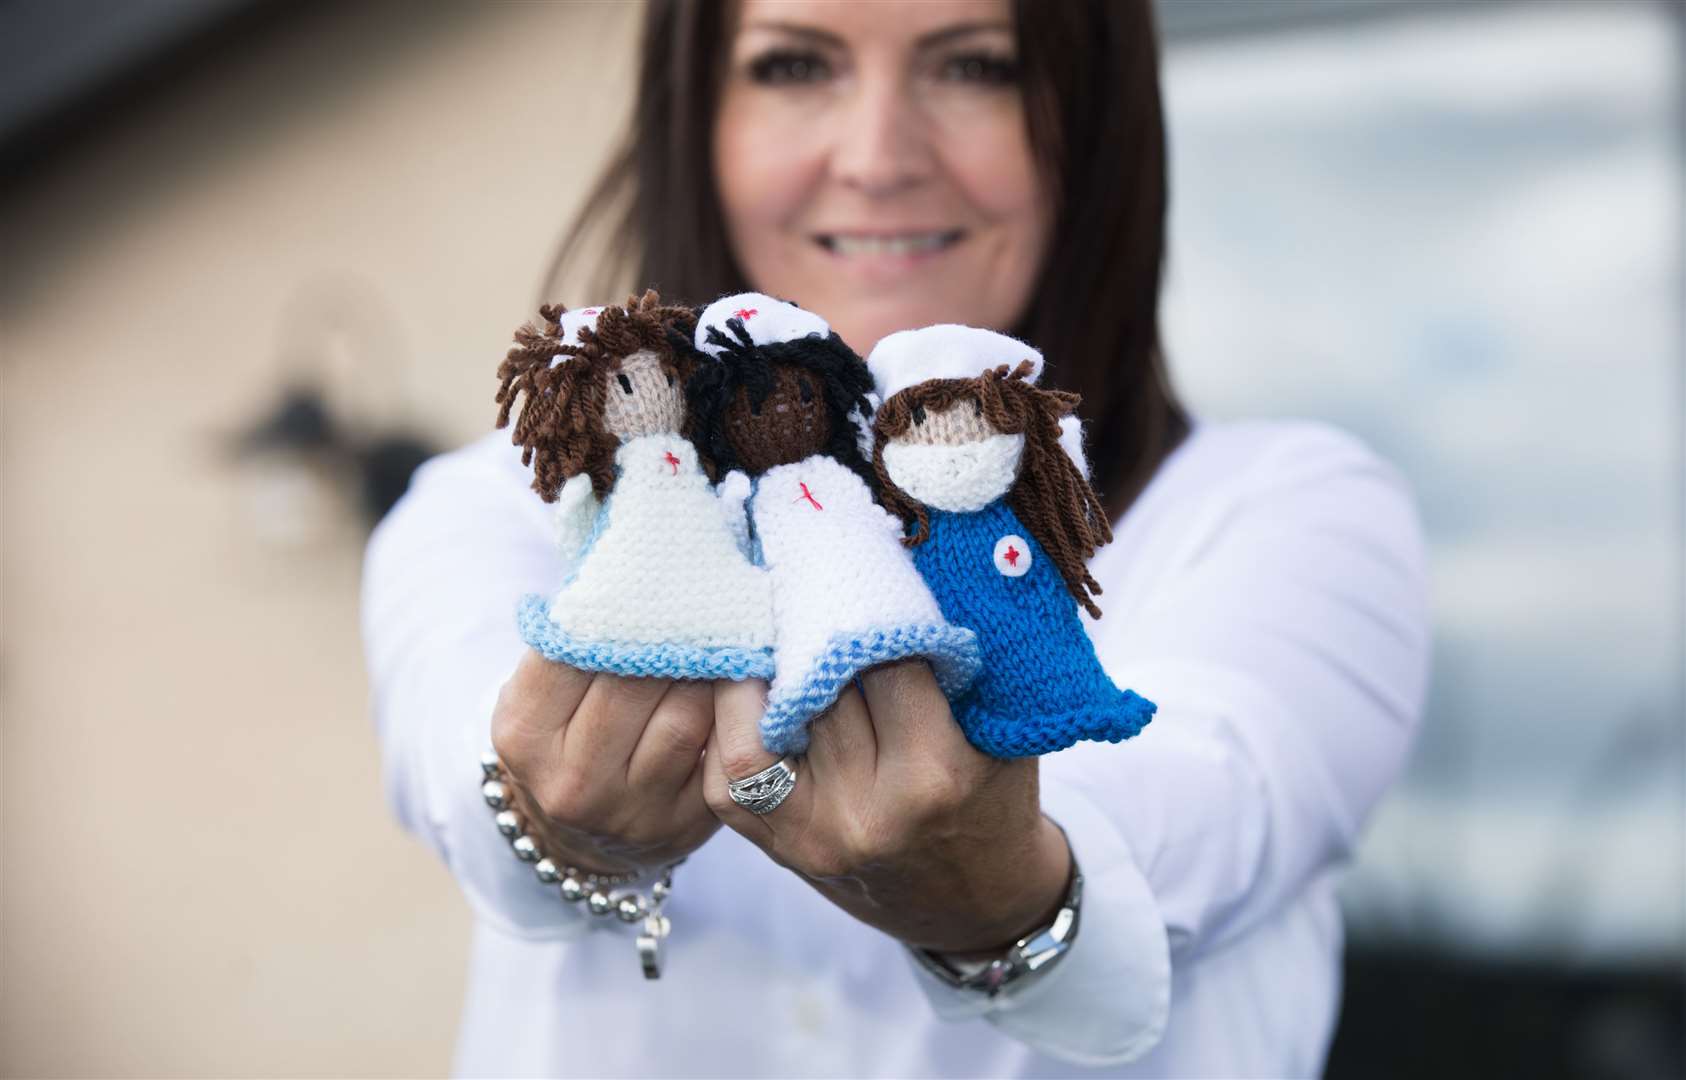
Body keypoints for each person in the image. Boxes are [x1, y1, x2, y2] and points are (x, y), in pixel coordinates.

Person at [360, 1, 1430, 1076]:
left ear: (1096, 123)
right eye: (791, 65)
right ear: (698, 119)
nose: (878, 158)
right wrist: (551, 822)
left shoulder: (1291, 513)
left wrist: (1011, 885)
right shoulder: (493, 507)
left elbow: (1217, 807)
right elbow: (457, 751)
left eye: (976, 66)